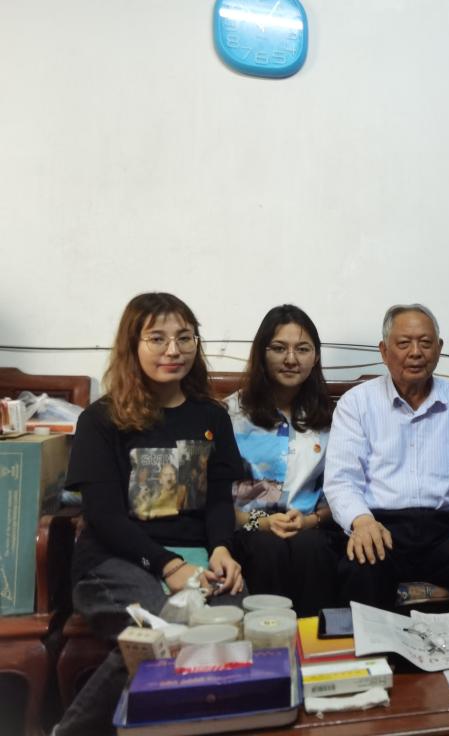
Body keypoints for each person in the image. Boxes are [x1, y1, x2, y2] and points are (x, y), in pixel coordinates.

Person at [56, 293, 245, 736]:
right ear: (132, 344)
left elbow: (219, 501)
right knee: (161, 628)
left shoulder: (212, 416)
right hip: (113, 561)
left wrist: (221, 549)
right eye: (157, 338)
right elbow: (104, 516)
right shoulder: (101, 420)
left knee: (231, 627)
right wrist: (167, 565)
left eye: (185, 338)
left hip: (195, 560)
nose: (173, 350)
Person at [323, 303, 449, 610]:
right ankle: (375, 645)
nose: (415, 352)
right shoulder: (356, 403)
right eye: (404, 343)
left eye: (425, 343)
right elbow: (342, 479)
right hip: (381, 526)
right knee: (360, 565)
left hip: (444, 529)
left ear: (439, 348)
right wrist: (361, 521)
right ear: (384, 351)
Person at [226, 304, 343, 617]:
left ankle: (315, 641)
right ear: (261, 353)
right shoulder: (230, 415)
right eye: (279, 348)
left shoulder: (333, 419)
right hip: (247, 527)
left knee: (312, 547)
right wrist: (261, 522)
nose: (291, 359)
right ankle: (267, 640)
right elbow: (215, 498)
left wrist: (311, 520)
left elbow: (342, 489)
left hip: (311, 527)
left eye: (302, 349)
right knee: (267, 547)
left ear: (315, 357)